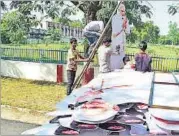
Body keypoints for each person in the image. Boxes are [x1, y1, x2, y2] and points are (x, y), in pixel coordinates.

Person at [110, 3, 130, 70]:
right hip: (116, 41)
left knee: (121, 58)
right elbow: (116, 31)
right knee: (115, 57)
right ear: (118, 10)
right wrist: (123, 25)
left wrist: (126, 23)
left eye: (124, 11)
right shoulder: (114, 18)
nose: (123, 12)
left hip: (123, 41)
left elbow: (127, 31)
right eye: (122, 11)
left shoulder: (125, 19)